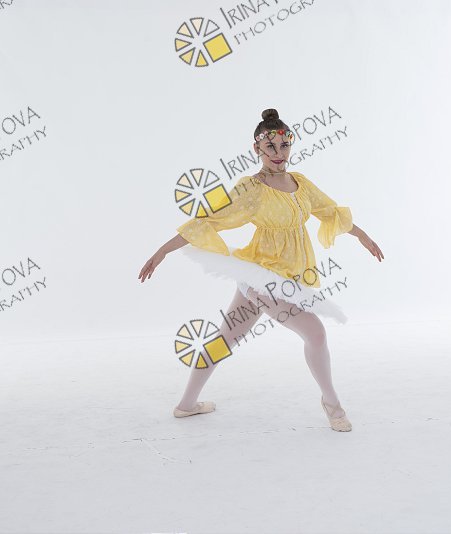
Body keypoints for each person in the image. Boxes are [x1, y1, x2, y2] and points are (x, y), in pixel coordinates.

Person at [138, 108, 384, 432]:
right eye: (270, 147)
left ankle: (186, 405)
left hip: (287, 279)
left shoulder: (300, 183)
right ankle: (333, 406)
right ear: (257, 148)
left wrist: (363, 236)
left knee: (225, 338)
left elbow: (330, 211)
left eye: (284, 145)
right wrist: (162, 252)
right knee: (316, 333)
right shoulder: (251, 189)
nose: (278, 153)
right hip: (261, 280)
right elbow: (209, 220)